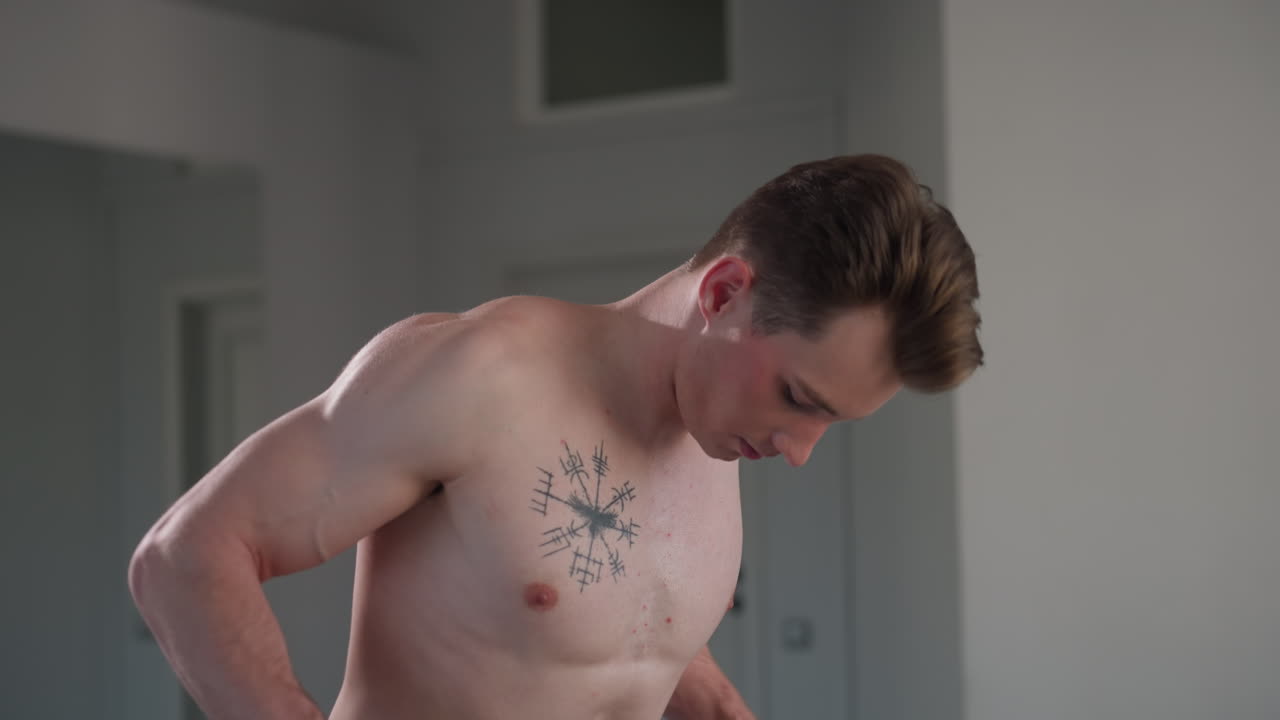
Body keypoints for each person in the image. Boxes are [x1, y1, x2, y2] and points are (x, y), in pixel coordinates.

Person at [129, 154, 983, 720]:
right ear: (724, 294)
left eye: (830, 419)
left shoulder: (714, 432)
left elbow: (624, 640)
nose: (799, 450)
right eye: (799, 398)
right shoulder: (480, 375)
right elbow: (186, 557)